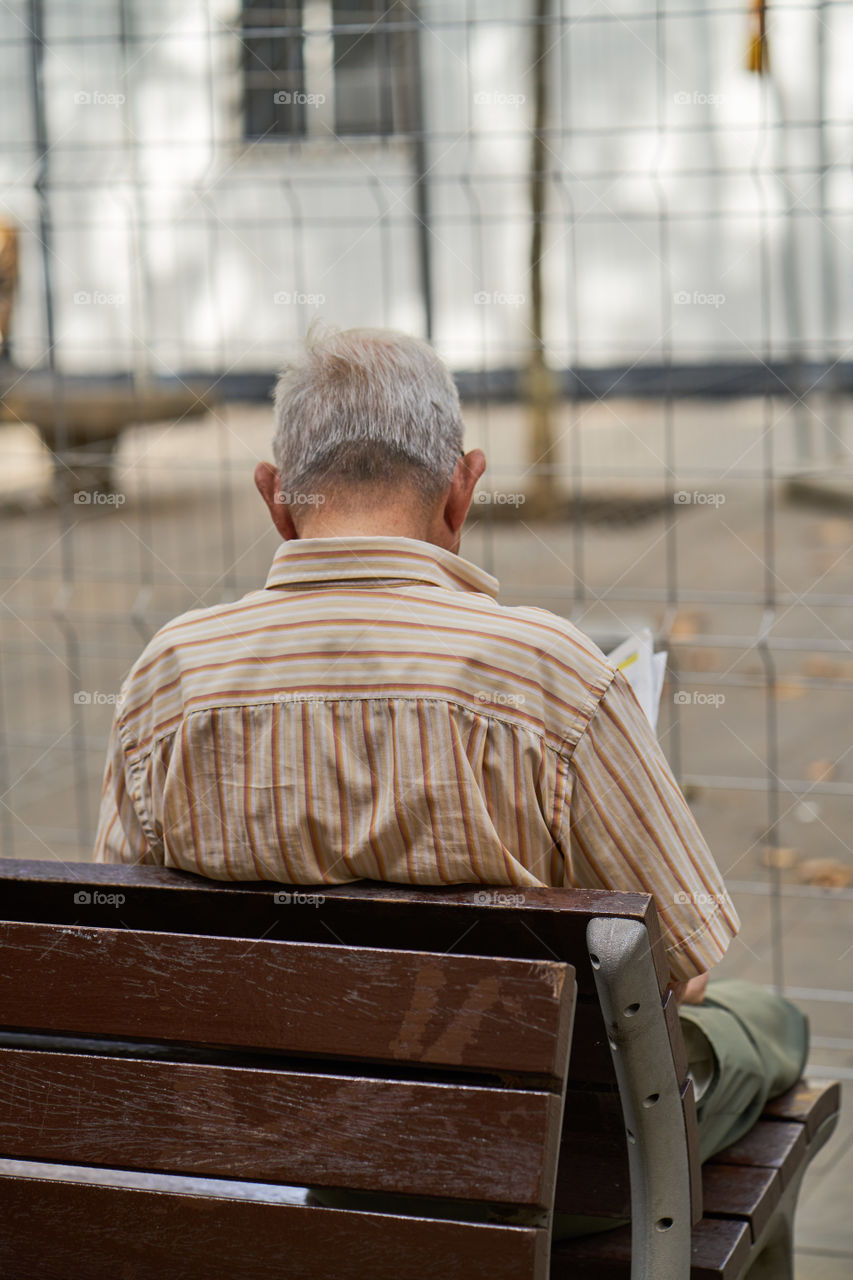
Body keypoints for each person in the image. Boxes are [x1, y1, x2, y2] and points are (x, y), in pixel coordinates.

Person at [94, 324, 807, 1234]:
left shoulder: (169, 680)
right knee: (768, 1023)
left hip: (273, 1146)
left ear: (276, 500)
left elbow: (133, 953)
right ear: (462, 490)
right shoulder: (552, 677)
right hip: (533, 1163)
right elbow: (681, 969)